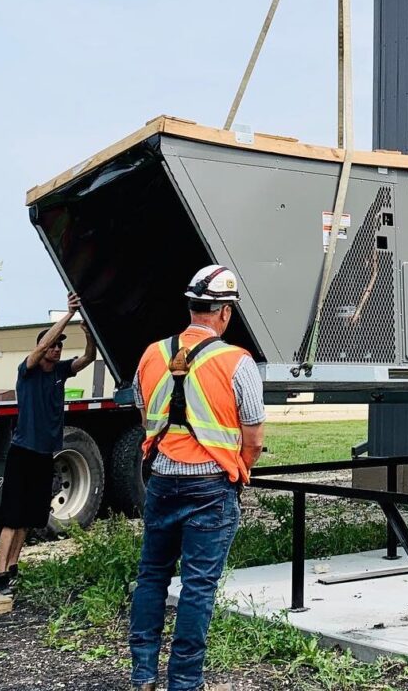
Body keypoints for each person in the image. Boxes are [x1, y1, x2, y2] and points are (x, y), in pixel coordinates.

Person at [129, 264, 265, 691]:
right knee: (197, 587)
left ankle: (143, 674)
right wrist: (241, 470)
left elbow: (144, 408)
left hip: (162, 481)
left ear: (191, 307)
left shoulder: (152, 354)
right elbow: (254, 435)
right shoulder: (236, 361)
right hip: (210, 487)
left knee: (152, 575)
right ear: (224, 313)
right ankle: (184, 682)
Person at [0, 292, 96, 594]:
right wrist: (68, 315)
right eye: (53, 344)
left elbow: (88, 358)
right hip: (22, 453)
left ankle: (13, 568)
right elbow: (38, 347)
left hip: (44, 454)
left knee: (30, 518)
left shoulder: (61, 372)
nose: (56, 349)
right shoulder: (28, 372)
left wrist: (88, 335)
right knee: (12, 517)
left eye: (60, 345)